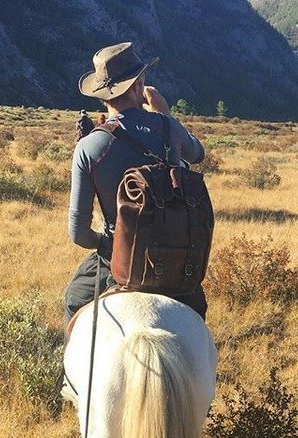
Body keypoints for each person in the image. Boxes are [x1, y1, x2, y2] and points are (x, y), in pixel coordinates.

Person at [64, 42, 207, 329]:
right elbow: (198, 154)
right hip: (175, 256)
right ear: (138, 85)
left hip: (120, 262)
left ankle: (67, 374)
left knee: (73, 300)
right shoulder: (169, 127)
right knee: (196, 312)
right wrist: (165, 116)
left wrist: (110, 243)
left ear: (102, 93)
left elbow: (78, 233)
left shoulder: (89, 146)